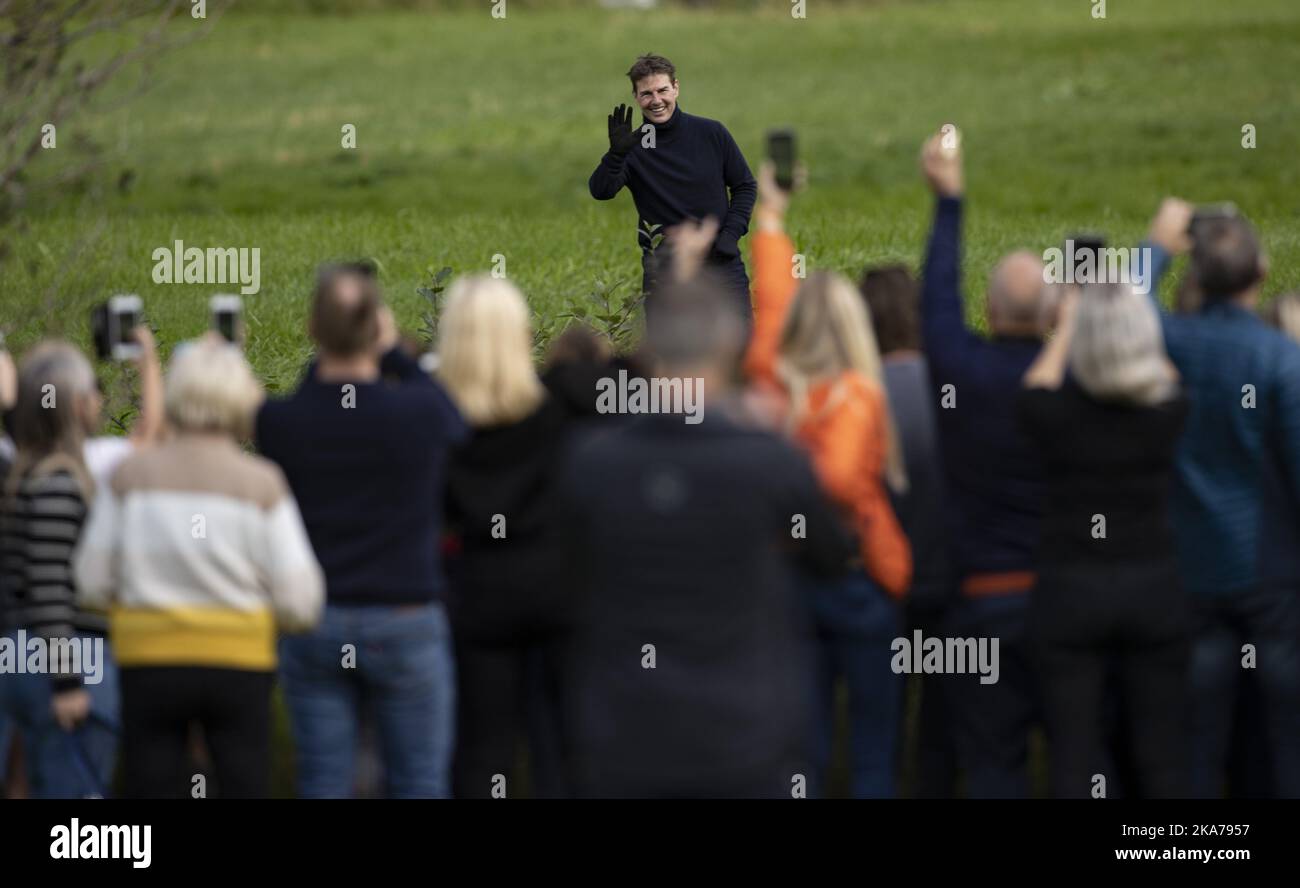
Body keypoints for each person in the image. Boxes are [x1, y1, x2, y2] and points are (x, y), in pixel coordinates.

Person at [558, 269, 855, 798]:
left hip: (625, 734)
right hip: (745, 737)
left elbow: (565, 572)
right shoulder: (770, 462)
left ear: (648, 349)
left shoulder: (591, 461)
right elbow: (833, 557)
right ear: (730, 344)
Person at [73, 337, 324, 798]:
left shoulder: (131, 477)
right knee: (243, 782)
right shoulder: (263, 484)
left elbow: (89, 582)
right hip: (239, 661)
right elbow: (301, 600)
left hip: (150, 659)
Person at [256, 263, 468, 798]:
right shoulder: (419, 412)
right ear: (377, 327)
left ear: (311, 330)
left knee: (324, 781)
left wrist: (337, 347)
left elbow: (309, 395)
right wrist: (393, 352)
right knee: (419, 781)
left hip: (317, 620)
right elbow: (454, 417)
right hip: (404, 616)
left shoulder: (281, 422)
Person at [741, 162, 911, 798]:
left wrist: (773, 221)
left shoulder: (774, 382)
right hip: (859, 576)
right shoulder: (858, 394)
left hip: (788, 579)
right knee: (872, 752)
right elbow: (839, 480)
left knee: (799, 750)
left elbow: (773, 308)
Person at [1140, 200, 1300, 798]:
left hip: (1193, 570)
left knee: (1196, 740)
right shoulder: (1281, 359)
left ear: (1196, 278)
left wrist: (1154, 246)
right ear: (1261, 272)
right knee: (1286, 740)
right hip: (1272, 577)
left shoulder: (1170, 342)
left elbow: (1121, 312)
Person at [1018, 284, 1190, 798]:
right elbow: (1168, 373)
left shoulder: (1055, 417)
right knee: (1161, 757)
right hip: (1153, 594)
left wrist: (1070, 326)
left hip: (1070, 597)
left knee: (1073, 757)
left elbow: (1035, 387)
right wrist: (1135, 324)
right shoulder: (1168, 414)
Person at [917, 127, 1047, 798]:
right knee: (1087, 755)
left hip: (986, 599)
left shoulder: (961, 373)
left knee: (994, 766)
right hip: (1064, 602)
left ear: (989, 309)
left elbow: (935, 306)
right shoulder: (1072, 387)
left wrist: (949, 201)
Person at [438, 275, 576, 799]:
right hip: (553, 592)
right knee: (560, 749)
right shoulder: (555, 416)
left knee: (480, 750)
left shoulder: (439, 427)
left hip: (474, 596)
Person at [0, 343, 119, 797]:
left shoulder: (21, 476)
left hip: (25, 655)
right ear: (74, 404)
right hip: (64, 660)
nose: (100, 399)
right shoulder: (59, 484)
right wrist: (67, 680)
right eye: (93, 389)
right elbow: (48, 585)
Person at [860, 263, 957, 798]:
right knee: (940, 731)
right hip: (947, 581)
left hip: (880, 582)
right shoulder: (951, 389)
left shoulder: (858, 396)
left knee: (879, 724)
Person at [588, 53, 757, 318]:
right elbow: (601, 191)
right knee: (672, 353)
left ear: (676, 88)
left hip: (721, 263)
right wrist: (616, 155)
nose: (656, 101)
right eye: (646, 94)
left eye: (662, 90)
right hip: (665, 269)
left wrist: (729, 236)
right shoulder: (632, 146)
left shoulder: (711, 133)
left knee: (738, 349)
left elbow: (745, 185)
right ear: (635, 97)